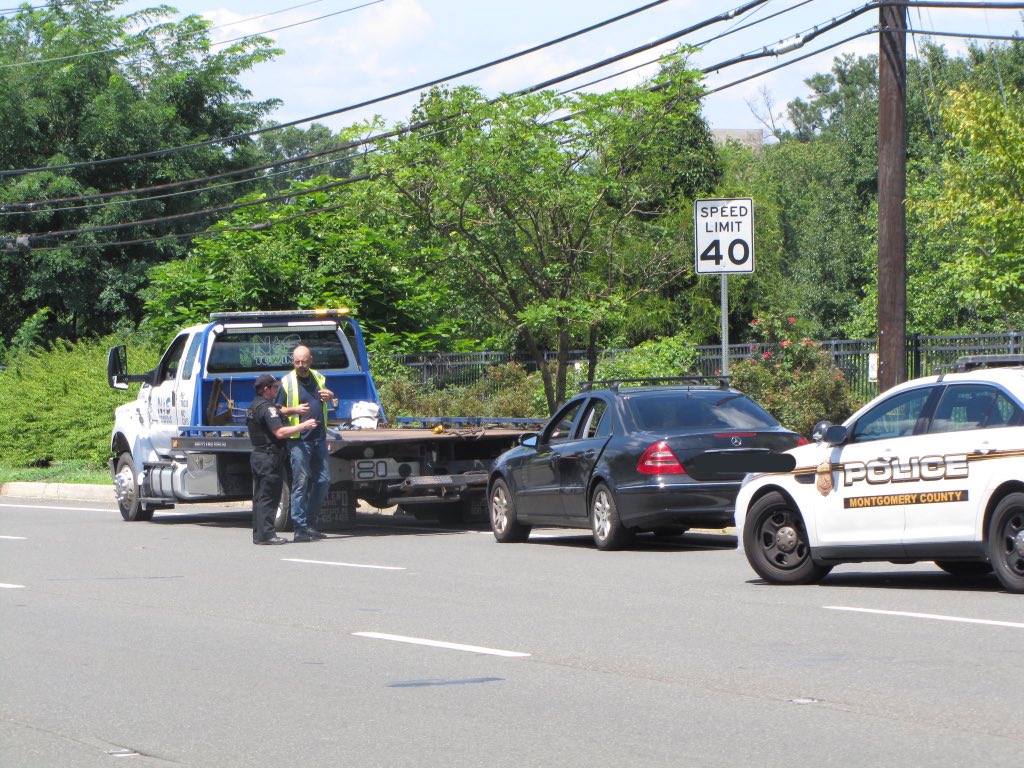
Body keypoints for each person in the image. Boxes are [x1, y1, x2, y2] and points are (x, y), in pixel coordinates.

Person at [246, 374, 317, 545]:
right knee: (269, 497)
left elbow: (279, 410)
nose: (276, 390)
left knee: (260, 497)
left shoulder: (255, 405)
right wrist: (303, 426)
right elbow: (279, 432)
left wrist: (294, 410)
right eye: (274, 387)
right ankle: (267, 535)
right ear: (266, 389)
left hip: (259, 455)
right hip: (270, 457)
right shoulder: (266, 409)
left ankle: (260, 533)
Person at [276, 345, 336, 542]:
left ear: (311, 360)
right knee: (300, 483)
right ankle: (300, 528)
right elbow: (276, 410)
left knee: (323, 481)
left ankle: (310, 523)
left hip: (318, 437)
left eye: (303, 362)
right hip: (298, 440)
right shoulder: (286, 382)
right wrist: (294, 410)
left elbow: (331, 400)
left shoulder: (319, 377)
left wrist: (331, 397)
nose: (300, 365)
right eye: (296, 362)